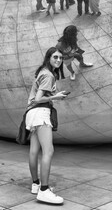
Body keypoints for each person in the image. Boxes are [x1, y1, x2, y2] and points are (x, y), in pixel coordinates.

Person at [26, 47, 67, 204]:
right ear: (48, 57)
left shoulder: (42, 72)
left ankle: (36, 184)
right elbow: (37, 99)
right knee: (48, 150)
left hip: (31, 114)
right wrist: (56, 96)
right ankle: (44, 190)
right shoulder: (48, 75)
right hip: (40, 112)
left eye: (61, 58)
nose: (58, 60)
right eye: (55, 57)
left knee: (34, 151)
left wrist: (53, 96)